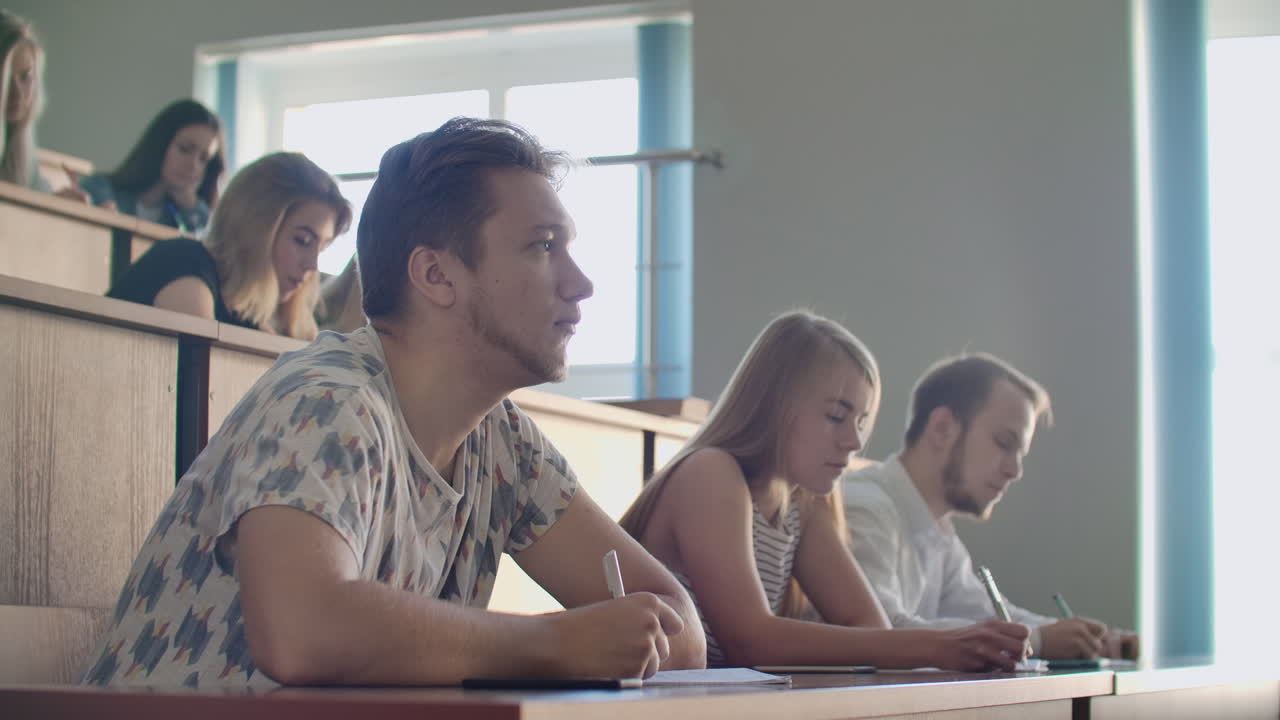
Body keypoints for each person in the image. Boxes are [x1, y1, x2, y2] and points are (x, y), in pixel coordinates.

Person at [82, 117, 704, 688]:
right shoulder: (327, 401)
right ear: (436, 276)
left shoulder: (503, 442)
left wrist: (609, 640)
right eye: (543, 246)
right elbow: (302, 630)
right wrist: (552, 642)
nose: (581, 283)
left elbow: (681, 630)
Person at [619, 311, 1029, 670]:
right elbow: (750, 642)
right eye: (836, 416)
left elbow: (869, 625)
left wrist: (920, 646)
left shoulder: (802, 504)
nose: (854, 442)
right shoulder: (711, 473)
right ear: (775, 406)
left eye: (861, 422)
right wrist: (934, 645)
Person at [841, 353, 1140, 661]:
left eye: (1019, 453)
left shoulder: (938, 533)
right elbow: (881, 634)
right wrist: (1036, 641)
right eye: (1003, 442)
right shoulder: (865, 509)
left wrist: (1091, 641)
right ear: (942, 428)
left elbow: (994, 614)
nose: (1015, 470)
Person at [106, 152, 347, 340]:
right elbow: (202, 381)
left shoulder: (262, 316)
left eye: (322, 248)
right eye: (302, 241)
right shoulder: (183, 262)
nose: (312, 265)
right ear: (255, 227)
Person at [80, 99, 225, 234]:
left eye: (203, 159)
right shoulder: (100, 190)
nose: (193, 165)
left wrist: (190, 206)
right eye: (185, 149)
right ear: (160, 144)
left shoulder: (188, 218)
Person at [0, 10, 84, 199]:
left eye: (26, 77)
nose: (18, 93)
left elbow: (39, 201)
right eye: (5, 78)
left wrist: (63, 203)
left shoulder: (20, 150)